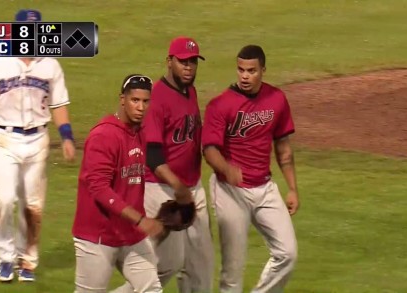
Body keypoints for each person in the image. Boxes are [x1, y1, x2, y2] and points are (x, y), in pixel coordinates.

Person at [0, 9, 76, 283]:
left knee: (32, 204)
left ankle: (27, 260)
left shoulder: (50, 64)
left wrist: (67, 136)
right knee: (3, 199)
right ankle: (5, 256)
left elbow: (58, 104)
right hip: (3, 138)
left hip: (37, 140)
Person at [115, 36, 214, 293]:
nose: (189, 67)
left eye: (193, 61)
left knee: (195, 265)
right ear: (169, 62)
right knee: (157, 265)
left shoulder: (189, 91)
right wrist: (179, 188)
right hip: (160, 190)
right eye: (183, 61)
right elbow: (153, 155)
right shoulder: (156, 98)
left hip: (190, 188)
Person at [202, 45, 300, 293]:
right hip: (229, 190)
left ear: (263, 71)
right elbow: (209, 150)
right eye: (241, 69)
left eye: (251, 71)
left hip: (265, 187)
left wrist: (292, 188)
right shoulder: (220, 104)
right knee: (232, 271)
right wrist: (227, 168)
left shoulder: (276, 99)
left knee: (287, 253)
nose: (245, 76)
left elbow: (283, 149)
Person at [72, 74, 164, 293]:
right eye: (135, 100)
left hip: (130, 234)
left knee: (151, 288)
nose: (141, 107)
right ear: (122, 99)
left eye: (145, 101)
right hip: (97, 236)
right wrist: (140, 219)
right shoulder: (103, 136)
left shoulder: (139, 132)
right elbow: (100, 188)